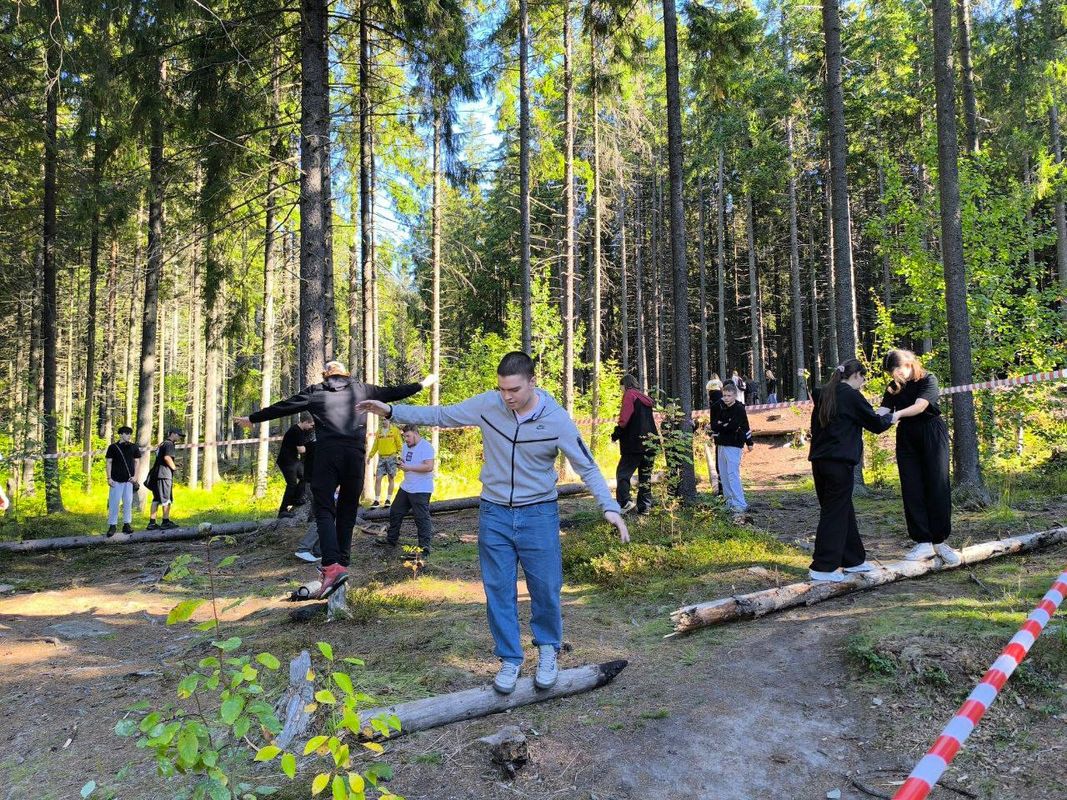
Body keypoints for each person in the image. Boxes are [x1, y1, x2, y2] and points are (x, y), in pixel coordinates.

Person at [357, 351, 628, 695]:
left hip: (538, 513)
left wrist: (609, 506)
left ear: (532, 382)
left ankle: (548, 650)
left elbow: (586, 465)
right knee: (498, 589)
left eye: (514, 389)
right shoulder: (488, 405)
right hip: (494, 512)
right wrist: (392, 411)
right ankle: (510, 658)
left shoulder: (556, 419)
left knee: (545, 587)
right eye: (502, 389)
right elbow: (442, 415)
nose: (507, 396)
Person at [235, 361, 435, 599]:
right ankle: (342, 562)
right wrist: (422, 384)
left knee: (324, 510)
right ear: (346, 374)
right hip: (354, 457)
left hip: (327, 458)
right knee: (348, 510)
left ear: (325, 375)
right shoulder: (361, 389)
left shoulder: (316, 391)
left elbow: (284, 406)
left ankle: (332, 567)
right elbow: (394, 391)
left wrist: (253, 418)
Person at [808, 360, 897, 582]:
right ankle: (823, 567)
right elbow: (876, 424)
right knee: (834, 513)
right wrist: (894, 416)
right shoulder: (850, 395)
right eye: (863, 378)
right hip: (838, 463)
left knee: (842, 509)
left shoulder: (825, 393)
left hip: (820, 461)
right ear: (856, 375)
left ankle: (853, 559)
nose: (863, 383)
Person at [877, 349, 960, 566]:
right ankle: (922, 541)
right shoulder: (894, 386)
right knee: (911, 486)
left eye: (896, 371)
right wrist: (867, 417)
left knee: (937, 484)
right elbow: (883, 409)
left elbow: (920, 406)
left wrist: (897, 414)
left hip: (931, 431)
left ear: (908, 365)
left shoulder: (928, 379)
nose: (894, 376)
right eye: (891, 373)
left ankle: (940, 540)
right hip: (907, 435)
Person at [375, 424, 435, 557]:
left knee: (421, 518)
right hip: (406, 486)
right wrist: (400, 464)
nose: (406, 439)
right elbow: (406, 462)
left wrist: (409, 468)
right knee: (395, 512)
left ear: (416, 433)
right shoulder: (405, 447)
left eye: (408, 436)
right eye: (404, 436)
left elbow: (429, 467)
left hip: (421, 488)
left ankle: (424, 549)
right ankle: (391, 540)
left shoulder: (426, 447)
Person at [612, 375, 657, 515]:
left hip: (634, 443)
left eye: (621, 387)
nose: (621, 390)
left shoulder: (629, 395)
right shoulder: (644, 398)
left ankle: (625, 502)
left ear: (624, 385)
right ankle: (645, 507)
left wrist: (616, 434)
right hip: (650, 443)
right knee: (645, 476)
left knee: (623, 474)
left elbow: (624, 419)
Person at [710, 382, 753, 517]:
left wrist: (749, 442)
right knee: (723, 474)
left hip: (734, 444)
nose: (726, 398)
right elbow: (714, 425)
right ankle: (729, 503)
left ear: (735, 395)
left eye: (729, 395)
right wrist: (722, 425)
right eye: (724, 395)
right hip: (721, 443)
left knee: (733, 474)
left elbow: (734, 426)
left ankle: (740, 503)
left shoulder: (739, 409)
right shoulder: (720, 407)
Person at [277, 414, 315, 519]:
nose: (312, 427)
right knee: (292, 484)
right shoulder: (296, 431)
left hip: (293, 460)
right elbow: (301, 450)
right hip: (286, 461)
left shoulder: (300, 430)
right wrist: (314, 447)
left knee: (305, 477)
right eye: (311, 425)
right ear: (305, 422)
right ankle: (282, 510)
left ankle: (295, 499)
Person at [104, 425, 140, 535]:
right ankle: (112, 525)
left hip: (129, 480)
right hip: (115, 480)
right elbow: (109, 462)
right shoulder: (113, 447)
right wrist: (109, 478)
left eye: (130, 434)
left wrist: (136, 477)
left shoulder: (134, 447)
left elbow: (137, 462)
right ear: (120, 434)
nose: (129, 436)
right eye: (126, 433)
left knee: (128, 502)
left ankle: (127, 524)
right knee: (114, 503)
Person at [146, 429, 184, 530]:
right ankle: (165, 522)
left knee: (156, 499)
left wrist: (175, 464)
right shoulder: (169, 444)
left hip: (156, 474)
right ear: (173, 434)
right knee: (166, 499)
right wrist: (174, 467)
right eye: (179, 435)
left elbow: (161, 458)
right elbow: (167, 458)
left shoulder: (162, 443)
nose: (179, 437)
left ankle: (152, 523)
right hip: (164, 475)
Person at [368, 419, 403, 507]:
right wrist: (370, 456)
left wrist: (399, 456)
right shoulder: (379, 431)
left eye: (385, 420)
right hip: (381, 458)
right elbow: (375, 445)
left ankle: (388, 500)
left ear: (389, 421)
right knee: (378, 478)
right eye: (383, 420)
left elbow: (399, 444)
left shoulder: (394, 430)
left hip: (392, 457)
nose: (384, 422)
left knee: (391, 478)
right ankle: (376, 500)